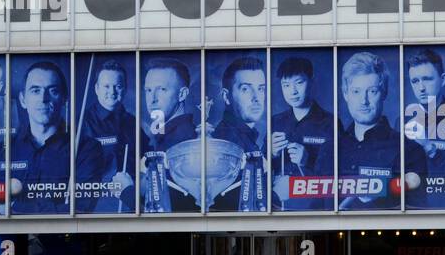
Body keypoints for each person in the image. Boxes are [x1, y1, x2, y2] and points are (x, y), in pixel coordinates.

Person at [336, 51, 427, 210]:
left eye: (372, 91)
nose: (363, 101)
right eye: (356, 91)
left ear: (384, 92)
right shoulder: (329, 150)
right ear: (345, 94)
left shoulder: (410, 151)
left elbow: (418, 212)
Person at [0, 60, 70, 214]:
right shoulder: (0, 153)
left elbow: (79, 209)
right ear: (23, 100)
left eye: (52, 90)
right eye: (35, 90)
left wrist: (12, 207)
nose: (43, 98)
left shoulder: (85, 149)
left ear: (64, 99)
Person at [270, 56, 334, 210]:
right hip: (277, 207)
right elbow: (259, 169)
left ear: (311, 82)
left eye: (299, 82)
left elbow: (338, 176)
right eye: (286, 85)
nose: (292, 91)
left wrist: (308, 161)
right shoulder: (275, 122)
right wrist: (271, 153)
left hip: (313, 209)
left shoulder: (330, 123)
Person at [404, 48, 445, 206]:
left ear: (443, 79)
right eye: (415, 81)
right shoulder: (403, 121)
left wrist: (429, 148)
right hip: (411, 208)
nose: (421, 87)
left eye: (427, 79)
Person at [75, 58, 136, 212]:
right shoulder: (82, 123)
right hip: (97, 207)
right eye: (106, 86)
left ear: (126, 88)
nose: (112, 92)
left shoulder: (131, 122)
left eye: (118, 86)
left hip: (130, 204)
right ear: (96, 88)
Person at [140, 57, 198, 212]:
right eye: (149, 90)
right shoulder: (163, 136)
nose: (152, 99)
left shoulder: (182, 141)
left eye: (162, 89)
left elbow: (175, 207)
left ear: (182, 94)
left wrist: (127, 191)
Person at [211, 55, 267, 212]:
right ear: (226, 96)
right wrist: (275, 192)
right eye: (246, 89)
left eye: (261, 88)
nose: (256, 98)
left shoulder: (246, 136)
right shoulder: (228, 142)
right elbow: (229, 201)